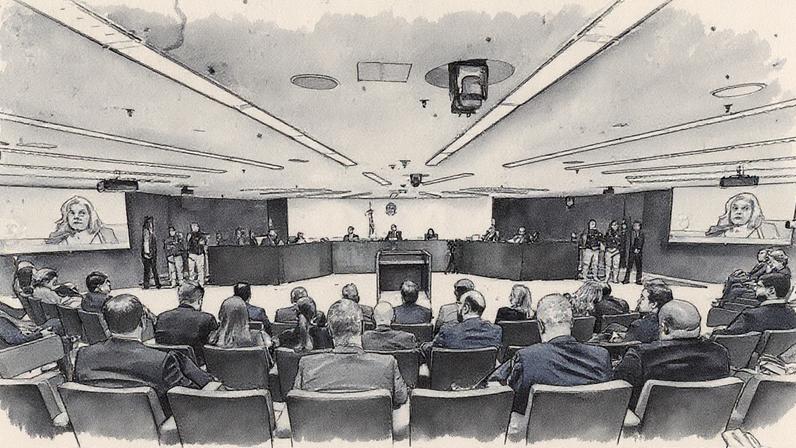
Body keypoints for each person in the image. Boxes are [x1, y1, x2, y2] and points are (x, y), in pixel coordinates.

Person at [74, 294, 212, 418]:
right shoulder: (161, 362)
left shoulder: (83, 355)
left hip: (98, 429)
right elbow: (188, 400)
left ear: (105, 323)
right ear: (143, 322)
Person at [492, 293, 612, 416]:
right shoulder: (601, 356)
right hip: (589, 430)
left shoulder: (527, 358)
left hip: (539, 431)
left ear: (540, 325)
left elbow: (508, 401)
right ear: (572, 322)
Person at [293, 299, 408, 409]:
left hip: (321, 429)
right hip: (371, 429)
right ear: (362, 328)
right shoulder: (387, 364)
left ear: (329, 331)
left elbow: (297, 403)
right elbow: (401, 398)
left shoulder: (306, 365)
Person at [614, 300, 730, 408]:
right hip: (704, 421)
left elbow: (619, 397)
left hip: (650, 424)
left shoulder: (639, 356)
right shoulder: (720, 353)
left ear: (664, 327)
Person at [422, 290, 502, 360]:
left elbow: (432, 350)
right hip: (483, 376)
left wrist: (423, 346)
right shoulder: (495, 331)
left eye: (459, 304)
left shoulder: (448, 330)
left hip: (451, 376)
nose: (457, 307)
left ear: (466, 308)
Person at [155, 282, 218, 366]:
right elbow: (213, 351)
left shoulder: (161, 318)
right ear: (200, 300)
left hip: (167, 369)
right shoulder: (207, 319)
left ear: (179, 299)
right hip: (197, 371)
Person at [713, 275, 796, 336]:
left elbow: (727, 338)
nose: (755, 289)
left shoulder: (750, 315)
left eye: (759, 286)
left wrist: (715, 332)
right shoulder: (792, 314)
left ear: (771, 290)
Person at [46, 195, 119, 245]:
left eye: (82, 213)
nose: (76, 217)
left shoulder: (106, 234)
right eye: (72, 213)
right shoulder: (58, 237)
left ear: (90, 215)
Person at [705, 192, 780, 239]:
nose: (739, 212)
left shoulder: (767, 230)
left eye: (745, 209)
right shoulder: (718, 232)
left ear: (753, 212)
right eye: (735, 208)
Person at [141, 216, 161, 290]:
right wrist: (145, 253)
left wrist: (151, 253)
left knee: (153, 269)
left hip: (151, 254)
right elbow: (145, 244)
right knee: (147, 270)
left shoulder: (151, 233)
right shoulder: (146, 232)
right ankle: (147, 285)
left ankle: (157, 284)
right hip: (147, 254)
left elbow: (152, 245)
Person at [622, 220, 645, 284]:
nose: (635, 227)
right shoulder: (631, 233)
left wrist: (638, 249)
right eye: (634, 226)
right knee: (629, 266)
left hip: (639, 252)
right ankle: (626, 279)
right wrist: (633, 249)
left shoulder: (641, 233)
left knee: (639, 266)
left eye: (637, 226)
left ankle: (638, 280)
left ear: (640, 226)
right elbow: (631, 242)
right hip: (632, 251)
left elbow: (642, 242)